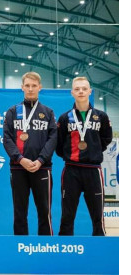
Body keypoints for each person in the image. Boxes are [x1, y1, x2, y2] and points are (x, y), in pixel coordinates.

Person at [56, 77, 112, 236]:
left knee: (97, 216)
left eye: (84, 88)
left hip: (93, 170)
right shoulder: (64, 118)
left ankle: (100, 249)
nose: (81, 91)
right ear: (72, 92)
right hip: (71, 171)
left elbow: (106, 139)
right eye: (77, 89)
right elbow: (59, 146)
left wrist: (93, 151)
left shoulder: (101, 116)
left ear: (90, 91)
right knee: (67, 215)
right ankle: (65, 250)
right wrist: (70, 155)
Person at [3, 72, 57, 235]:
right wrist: (19, 159)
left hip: (42, 168)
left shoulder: (48, 112)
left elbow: (53, 138)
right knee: (20, 212)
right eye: (27, 85)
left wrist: (41, 160)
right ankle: (21, 246)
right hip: (19, 168)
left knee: (44, 211)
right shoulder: (13, 111)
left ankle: (46, 246)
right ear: (22, 87)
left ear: (40, 87)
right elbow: (7, 138)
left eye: (34, 86)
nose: (31, 89)